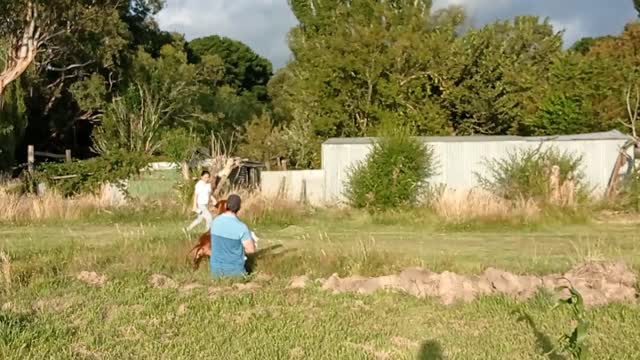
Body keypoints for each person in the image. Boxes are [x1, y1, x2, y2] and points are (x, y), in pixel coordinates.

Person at [209, 194, 256, 277]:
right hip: (236, 272)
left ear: (226, 205)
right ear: (239, 208)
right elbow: (251, 250)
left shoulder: (214, 222)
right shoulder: (242, 227)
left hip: (215, 272)